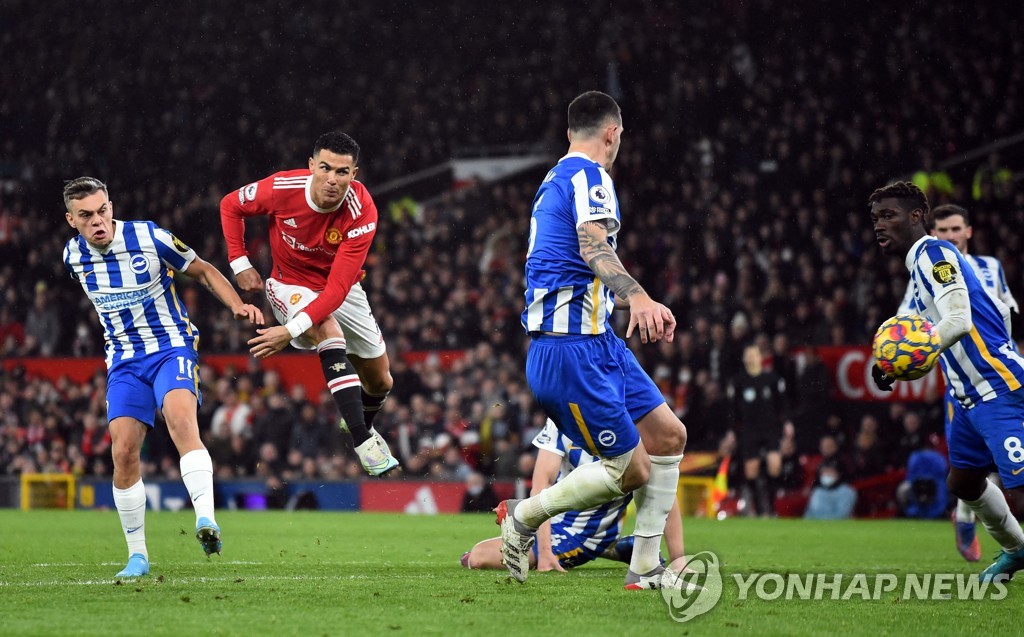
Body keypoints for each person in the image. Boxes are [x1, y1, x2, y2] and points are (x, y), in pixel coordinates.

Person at [497, 91, 688, 590]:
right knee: (631, 470)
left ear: (568, 132)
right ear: (613, 133)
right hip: (568, 349)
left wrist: (629, 303)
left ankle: (646, 568)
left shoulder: (555, 179)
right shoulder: (590, 175)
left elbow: (571, 269)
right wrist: (641, 296)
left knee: (670, 436)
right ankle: (526, 516)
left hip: (598, 340)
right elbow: (591, 246)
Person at [62, 176, 264, 577]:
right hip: (123, 360)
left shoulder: (149, 237)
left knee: (181, 420)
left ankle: (206, 519)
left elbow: (202, 270)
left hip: (170, 347)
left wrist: (236, 305)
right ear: (72, 220)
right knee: (122, 452)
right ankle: (137, 555)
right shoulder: (72, 257)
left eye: (103, 210)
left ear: (111, 205)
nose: (98, 221)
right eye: (86, 216)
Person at [869, 181, 1024, 581]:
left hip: (997, 388)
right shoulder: (918, 267)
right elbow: (997, 315)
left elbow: (959, 320)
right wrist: (891, 363)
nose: (879, 225)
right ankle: (1016, 550)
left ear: (917, 217)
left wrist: (920, 350)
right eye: (875, 218)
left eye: (888, 215)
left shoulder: (934, 253)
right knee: (964, 480)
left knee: (1020, 493)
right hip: (967, 398)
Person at [219, 131, 399, 476]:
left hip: (337, 287)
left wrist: (289, 331)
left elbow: (336, 292)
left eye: (342, 172)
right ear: (312, 165)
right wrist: (239, 263)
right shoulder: (281, 189)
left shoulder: (362, 212)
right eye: (326, 168)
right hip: (289, 282)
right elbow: (230, 205)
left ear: (354, 174)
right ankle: (364, 440)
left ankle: (356, 420)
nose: (332, 180)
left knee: (381, 382)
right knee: (326, 328)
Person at [464, 420, 684, 571]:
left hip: (584, 532)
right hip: (554, 518)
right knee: (479, 554)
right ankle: (617, 548)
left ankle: (603, 544)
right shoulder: (560, 413)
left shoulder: (634, 418)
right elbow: (541, 483)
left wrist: (678, 561)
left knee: (479, 557)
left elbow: (662, 490)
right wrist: (545, 551)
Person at [727, 342, 790, 517]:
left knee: (774, 466)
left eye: (754, 354)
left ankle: (771, 507)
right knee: (751, 471)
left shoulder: (772, 379)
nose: (751, 357)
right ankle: (759, 509)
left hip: (770, 429)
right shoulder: (739, 381)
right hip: (749, 430)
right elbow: (733, 410)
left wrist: (787, 423)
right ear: (744, 359)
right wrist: (732, 431)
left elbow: (782, 405)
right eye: (748, 354)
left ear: (761, 358)